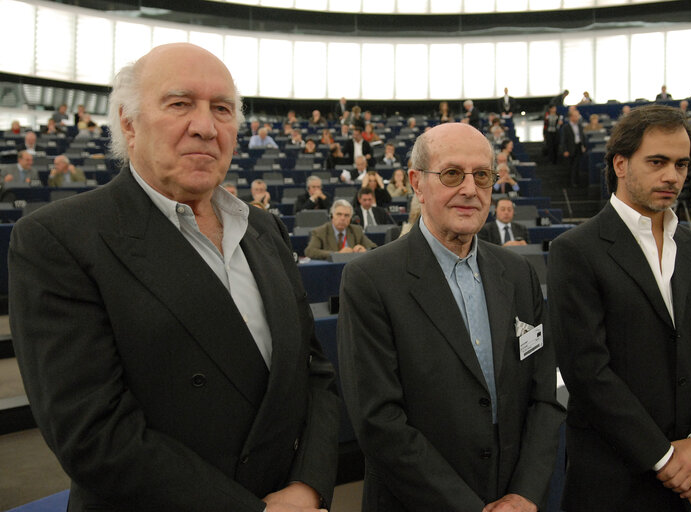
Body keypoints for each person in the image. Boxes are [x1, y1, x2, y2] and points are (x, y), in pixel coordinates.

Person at [9, 43, 339, 512]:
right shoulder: (58, 240)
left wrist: (309, 486)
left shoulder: (264, 228)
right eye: (180, 103)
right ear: (128, 120)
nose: (205, 126)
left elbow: (313, 374)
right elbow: (94, 436)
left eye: (221, 109)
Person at [337, 122, 565, 512]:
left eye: (482, 176)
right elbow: (379, 421)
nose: (470, 190)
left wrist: (525, 494)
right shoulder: (370, 280)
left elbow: (544, 396)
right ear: (416, 182)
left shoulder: (519, 274)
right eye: (452, 174)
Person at [547, 105, 691, 512]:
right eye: (657, 161)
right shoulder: (575, 250)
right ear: (620, 163)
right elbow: (587, 372)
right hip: (613, 483)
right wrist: (667, 459)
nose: (672, 175)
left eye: (682, 164)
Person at [304, 199, 376, 260]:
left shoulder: (356, 230)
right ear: (332, 216)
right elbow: (310, 251)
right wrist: (337, 254)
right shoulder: (320, 232)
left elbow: (374, 248)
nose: (342, 218)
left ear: (350, 218)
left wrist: (364, 250)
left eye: (346, 215)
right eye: (339, 214)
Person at [560, 109, 587, 186]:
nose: (577, 117)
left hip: (578, 147)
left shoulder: (580, 126)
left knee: (577, 165)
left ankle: (577, 181)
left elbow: (582, 137)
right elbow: (563, 140)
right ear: (571, 117)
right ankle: (572, 182)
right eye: (575, 116)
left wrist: (584, 146)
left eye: (578, 116)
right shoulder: (566, 127)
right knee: (572, 166)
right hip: (570, 148)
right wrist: (565, 150)